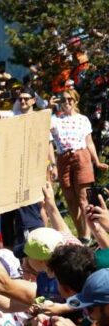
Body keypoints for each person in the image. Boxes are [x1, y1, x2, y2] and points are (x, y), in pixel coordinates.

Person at [51, 88, 107, 241]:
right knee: (70, 199)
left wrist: (96, 161)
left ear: (75, 101)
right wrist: (49, 108)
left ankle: (89, 234)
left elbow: (89, 142)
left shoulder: (83, 119)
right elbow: (45, 133)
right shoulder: (55, 119)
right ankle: (81, 232)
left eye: (70, 99)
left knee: (83, 197)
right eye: (63, 99)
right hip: (63, 157)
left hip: (81, 155)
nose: (66, 102)